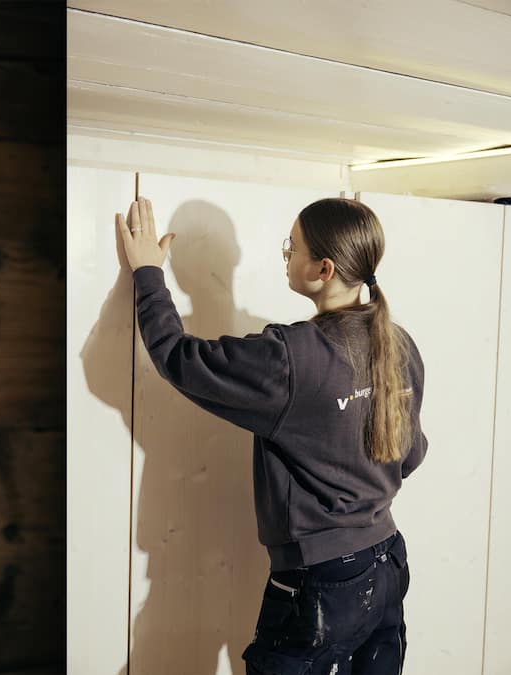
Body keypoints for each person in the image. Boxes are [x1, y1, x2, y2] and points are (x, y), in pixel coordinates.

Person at [118, 196, 427, 675]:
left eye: (293, 246)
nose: (286, 255)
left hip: (321, 581)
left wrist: (147, 274)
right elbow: (409, 456)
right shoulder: (399, 344)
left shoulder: (289, 358)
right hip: (387, 563)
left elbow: (178, 357)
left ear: (323, 268)